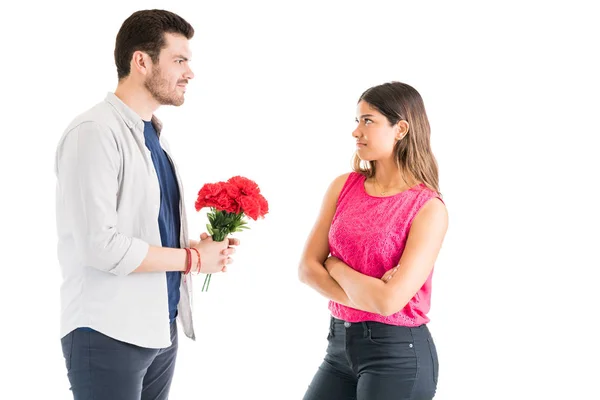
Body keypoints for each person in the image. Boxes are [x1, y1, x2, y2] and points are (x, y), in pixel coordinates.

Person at [54, 9, 238, 400]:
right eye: (179, 60)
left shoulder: (153, 135)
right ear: (141, 61)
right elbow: (99, 245)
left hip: (158, 329)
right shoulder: (94, 132)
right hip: (106, 333)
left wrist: (198, 251)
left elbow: (140, 233)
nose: (190, 73)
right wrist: (192, 262)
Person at [299, 81, 448, 399]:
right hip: (339, 346)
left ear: (401, 129)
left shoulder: (427, 208)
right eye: (357, 121)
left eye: (368, 120)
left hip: (398, 355)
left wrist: (335, 265)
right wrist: (372, 294)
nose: (356, 131)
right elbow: (306, 269)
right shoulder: (344, 187)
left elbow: (389, 303)